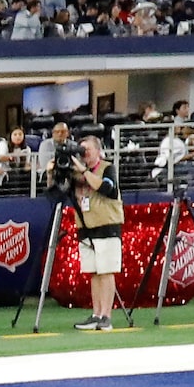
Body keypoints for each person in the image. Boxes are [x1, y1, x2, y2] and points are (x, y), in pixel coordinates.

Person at [71, 140, 129, 332]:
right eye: (82, 150)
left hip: (107, 225)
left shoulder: (107, 168)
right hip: (86, 227)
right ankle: (96, 314)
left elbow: (107, 189)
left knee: (106, 271)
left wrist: (84, 171)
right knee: (94, 272)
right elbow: (57, 192)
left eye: (87, 149)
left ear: (98, 150)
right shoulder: (76, 172)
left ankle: (106, 316)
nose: (84, 153)